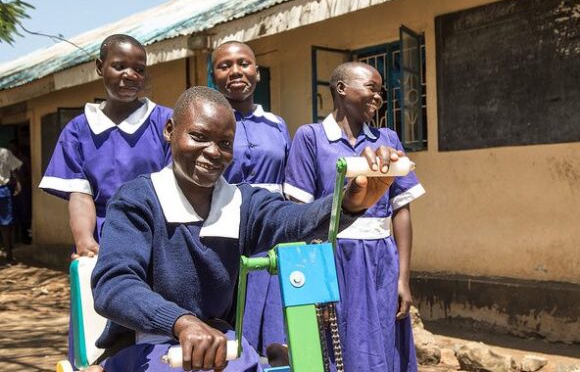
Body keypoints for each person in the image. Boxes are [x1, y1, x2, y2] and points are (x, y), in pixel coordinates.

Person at [91, 86, 403, 371]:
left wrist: (348, 202)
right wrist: (182, 323)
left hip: (218, 345)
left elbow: (296, 221)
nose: (214, 152)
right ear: (170, 131)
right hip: (142, 346)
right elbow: (114, 285)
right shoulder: (139, 199)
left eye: (225, 143)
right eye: (199, 136)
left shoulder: (242, 202)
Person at [38, 34, 172, 364]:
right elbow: (80, 193)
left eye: (138, 69)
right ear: (100, 67)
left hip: (160, 236)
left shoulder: (165, 122)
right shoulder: (79, 130)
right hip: (105, 239)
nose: (129, 75)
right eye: (119, 66)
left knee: (154, 327)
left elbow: (178, 186)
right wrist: (85, 241)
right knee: (100, 325)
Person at [284, 62, 426, 371]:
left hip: (381, 259)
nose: (378, 97)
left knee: (382, 339)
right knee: (338, 342)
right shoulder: (311, 138)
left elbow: (402, 209)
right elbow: (300, 215)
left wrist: (403, 277)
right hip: (332, 258)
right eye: (371, 88)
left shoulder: (386, 140)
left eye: (381, 91)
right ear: (341, 89)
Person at [211, 41, 291, 359]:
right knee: (229, 319)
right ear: (213, 75)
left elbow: (291, 182)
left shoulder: (277, 125)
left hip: (272, 231)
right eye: (225, 65)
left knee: (276, 330)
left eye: (244, 63)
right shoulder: (207, 123)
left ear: (257, 71)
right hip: (222, 227)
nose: (236, 71)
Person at [0, 146, 22, 265]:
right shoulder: (4, 152)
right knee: (6, 224)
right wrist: (18, 183)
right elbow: (14, 169)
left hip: (4, 191)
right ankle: (9, 256)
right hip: (3, 191)